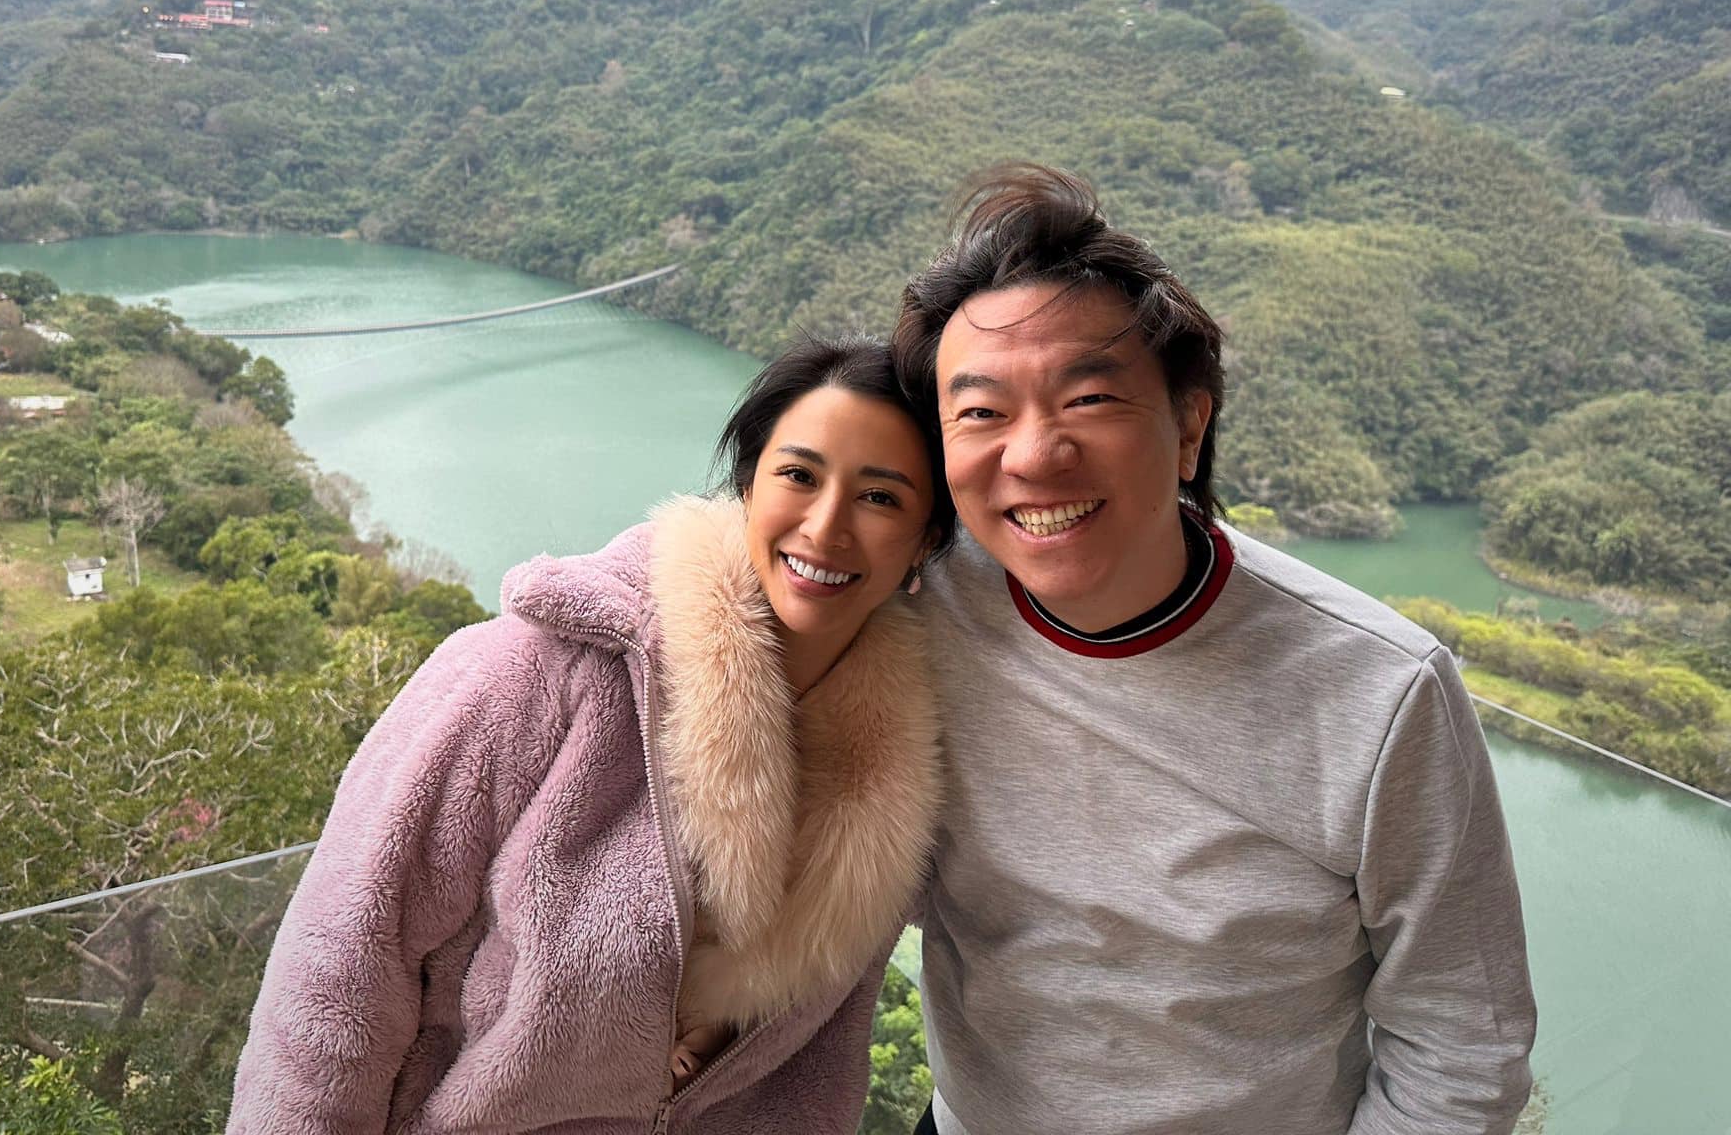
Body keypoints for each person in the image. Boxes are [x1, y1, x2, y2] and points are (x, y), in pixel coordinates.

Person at [891, 165, 1537, 1135]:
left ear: (1188, 424)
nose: (1032, 454)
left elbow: (1461, 1043)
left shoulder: (1380, 694)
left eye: (1088, 398)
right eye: (980, 413)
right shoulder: (919, 609)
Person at [228, 335, 956, 1135]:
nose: (825, 526)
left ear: (926, 540)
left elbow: (824, 1066)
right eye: (799, 476)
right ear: (748, 485)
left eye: (880, 497)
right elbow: (342, 966)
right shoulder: (535, 672)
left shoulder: (900, 773)